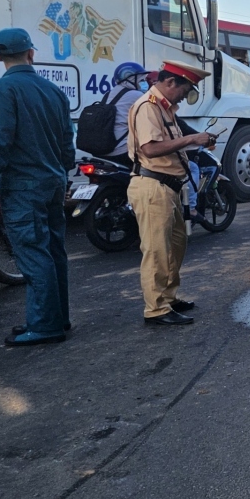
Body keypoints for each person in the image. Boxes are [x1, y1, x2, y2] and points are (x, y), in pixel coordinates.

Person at [0, 28, 76, 346]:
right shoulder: (54, 91)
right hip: (54, 182)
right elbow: (67, 143)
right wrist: (62, 171)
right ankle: (57, 317)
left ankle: (45, 325)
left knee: (33, 253)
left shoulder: (1, 91)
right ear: (31, 53)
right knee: (54, 250)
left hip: (22, 186)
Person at [128, 61, 216, 326]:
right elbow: (151, 149)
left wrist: (197, 142)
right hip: (153, 186)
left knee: (175, 246)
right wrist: (191, 139)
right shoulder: (148, 107)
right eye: (186, 89)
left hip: (169, 187)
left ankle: (168, 297)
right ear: (170, 83)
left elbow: (169, 146)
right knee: (157, 250)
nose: (185, 96)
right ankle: (156, 309)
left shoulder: (165, 109)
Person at [98, 62, 150, 168]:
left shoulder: (109, 94)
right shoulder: (137, 95)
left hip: (103, 149)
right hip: (122, 150)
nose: (145, 83)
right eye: (142, 80)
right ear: (130, 79)